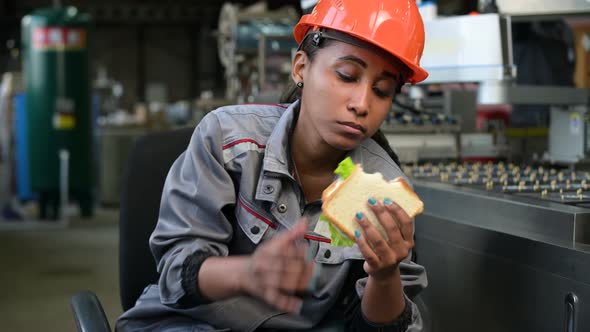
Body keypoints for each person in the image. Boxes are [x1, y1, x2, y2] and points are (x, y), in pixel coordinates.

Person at [116, 0, 429, 331]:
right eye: (347, 76)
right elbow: (177, 275)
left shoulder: (380, 190)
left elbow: (373, 327)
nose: (362, 104)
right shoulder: (229, 142)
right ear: (301, 67)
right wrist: (247, 273)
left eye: (382, 91)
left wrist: (384, 275)